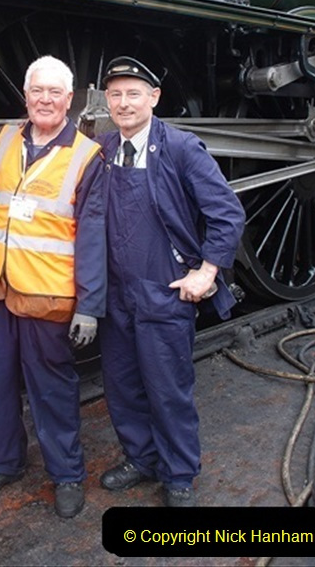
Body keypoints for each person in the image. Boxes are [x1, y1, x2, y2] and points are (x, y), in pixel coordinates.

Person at [0, 55, 106, 518]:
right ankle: (3, 463)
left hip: (47, 295)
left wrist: (89, 305)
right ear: (25, 94)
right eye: (37, 91)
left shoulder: (86, 157)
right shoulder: (6, 139)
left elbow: (93, 237)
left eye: (54, 92)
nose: (45, 100)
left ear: (70, 100)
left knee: (51, 386)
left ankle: (67, 474)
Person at [96, 56, 246, 507]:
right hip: (116, 292)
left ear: (154, 98)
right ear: (107, 100)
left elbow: (227, 213)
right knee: (122, 385)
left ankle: (179, 473)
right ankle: (140, 458)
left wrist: (207, 272)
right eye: (116, 95)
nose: (124, 103)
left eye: (134, 94)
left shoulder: (181, 148)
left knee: (167, 389)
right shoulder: (101, 149)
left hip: (164, 289)